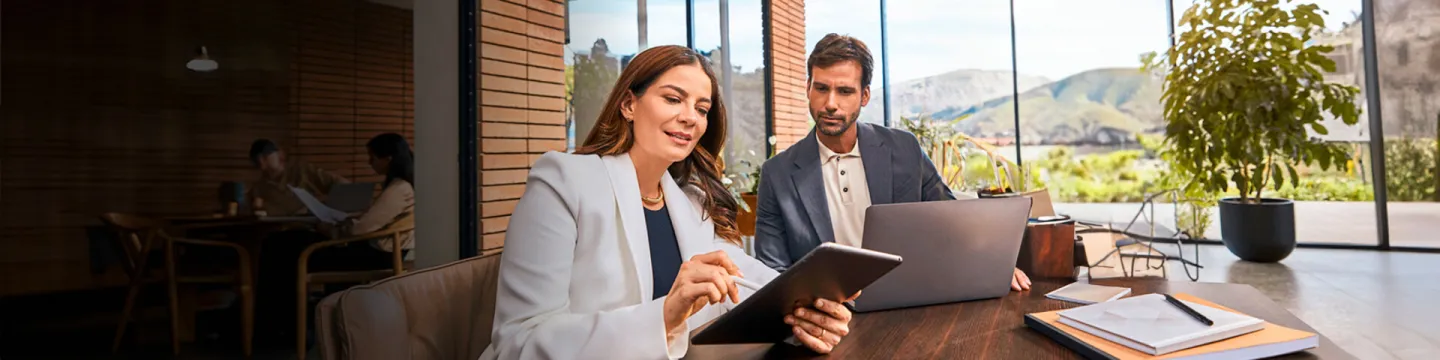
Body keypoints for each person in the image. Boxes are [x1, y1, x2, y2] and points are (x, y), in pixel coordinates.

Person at [481, 45, 857, 360]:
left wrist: (809, 305)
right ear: (629, 104)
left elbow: (747, 283)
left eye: (702, 108)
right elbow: (518, 343)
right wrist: (663, 316)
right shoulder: (563, 182)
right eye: (673, 99)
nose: (689, 118)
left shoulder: (691, 203)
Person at [752, 33, 1032, 292]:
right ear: (808, 89)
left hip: (905, 302)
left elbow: (950, 222)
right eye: (821, 88)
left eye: (845, 91)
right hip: (827, 317)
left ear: (864, 96)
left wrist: (991, 264)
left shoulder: (904, 149)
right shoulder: (778, 174)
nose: (830, 103)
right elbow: (772, 271)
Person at [245, 139, 350, 216]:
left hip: (309, 228)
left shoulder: (302, 171)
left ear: (280, 154)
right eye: (256, 159)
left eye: (265, 156)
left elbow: (343, 185)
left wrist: (317, 204)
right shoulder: (259, 188)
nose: (261, 161)